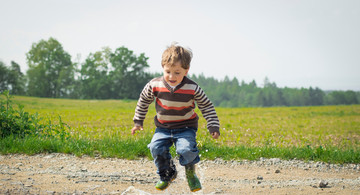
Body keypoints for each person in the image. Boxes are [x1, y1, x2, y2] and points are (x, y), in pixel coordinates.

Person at [131, 43, 220, 192]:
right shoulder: (155, 85)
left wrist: (213, 126)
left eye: (177, 72)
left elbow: (207, 106)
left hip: (186, 127)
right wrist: (138, 121)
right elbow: (143, 101)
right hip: (163, 128)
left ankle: (190, 173)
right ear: (163, 67)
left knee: (185, 149)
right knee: (155, 147)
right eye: (168, 71)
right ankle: (168, 174)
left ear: (186, 70)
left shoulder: (193, 88)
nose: (172, 76)